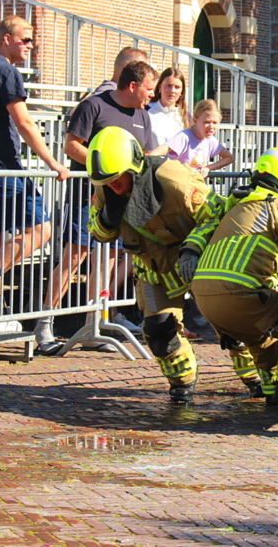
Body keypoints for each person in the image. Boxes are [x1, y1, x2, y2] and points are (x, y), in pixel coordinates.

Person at [86, 126, 224, 402]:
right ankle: (182, 383)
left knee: (231, 325)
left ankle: (260, 380)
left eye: (117, 177)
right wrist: (108, 218)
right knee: (158, 331)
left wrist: (193, 250)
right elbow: (97, 232)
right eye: (106, 180)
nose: (112, 184)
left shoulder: (175, 180)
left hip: (198, 261)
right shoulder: (106, 189)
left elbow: (216, 213)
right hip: (153, 270)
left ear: (134, 166)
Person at [36, 60, 159, 355]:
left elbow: (141, 154)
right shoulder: (94, 106)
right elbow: (71, 145)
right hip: (86, 198)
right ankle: (43, 326)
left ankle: (95, 326)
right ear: (132, 85)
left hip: (122, 203)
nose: (151, 96)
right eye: (149, 89)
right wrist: (102, 170)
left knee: (105, 262)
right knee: (73, 258)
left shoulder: (143, 115)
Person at [0, 15, 70, 329]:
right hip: (0, 167)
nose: (31, 46)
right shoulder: (6, 71)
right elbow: (24, 123)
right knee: (43, 228)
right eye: (25, 39)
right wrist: (53, 162)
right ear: (6, 38)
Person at [191, 146, 278, 408]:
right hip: (241, 295)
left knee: (262, 336)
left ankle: (272, 390)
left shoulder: (237, 206)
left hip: (205, 299)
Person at [149, 99, 233, 178]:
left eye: (215, 123)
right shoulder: (184, 137)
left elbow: (229, 158)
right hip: (179, 183)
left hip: (195, 185)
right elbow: (154, 153)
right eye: (207, 122)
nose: (211, 127)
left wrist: (208, 167)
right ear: (195, 121)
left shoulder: (210, 140)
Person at [147, 67, 190, 147]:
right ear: (160, 87)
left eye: (177, 87)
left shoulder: (186, 117)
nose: (172, 90)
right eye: (168, 86)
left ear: (182, 91)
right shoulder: (146, 111)